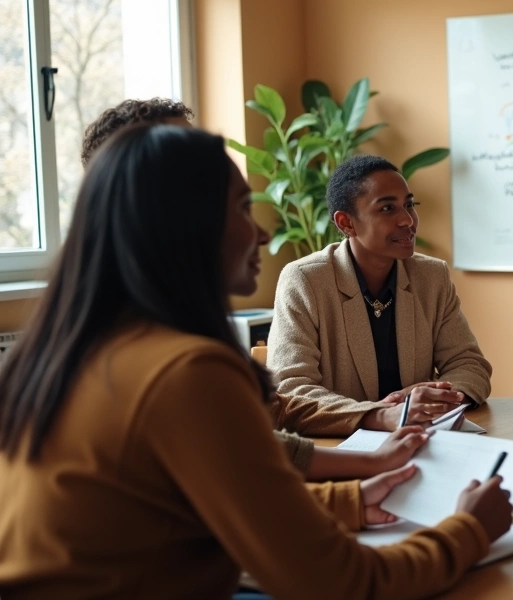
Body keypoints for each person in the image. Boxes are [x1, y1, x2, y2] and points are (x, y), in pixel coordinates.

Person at [0, 124, 513, 598]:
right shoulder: (186, 371)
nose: (264, 234)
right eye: (244, 210)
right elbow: (344, 582)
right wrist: (468, 529)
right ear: (187, 227)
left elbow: (220, 492)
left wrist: (351, 498)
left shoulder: (72, 348)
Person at [80, 98, 415, 480]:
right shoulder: (156, 356)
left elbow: (249, 441)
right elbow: (246, 485)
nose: (262, 234)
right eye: (239, 207)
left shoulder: (162, 325)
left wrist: (373, 456)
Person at [269, 155, 492, 435]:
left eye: (409, 205)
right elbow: (290, 389)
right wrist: (381, 415)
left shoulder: (432, 276)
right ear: (346, 223)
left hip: (420, 440)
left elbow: (469, 364)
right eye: (387, 208)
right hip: (337, 447)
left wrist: (433, 400)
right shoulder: (306, 280)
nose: (407, 220)